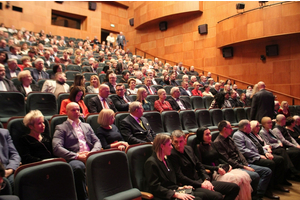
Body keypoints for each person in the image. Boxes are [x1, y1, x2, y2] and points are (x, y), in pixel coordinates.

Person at [169, 130, 240, 200]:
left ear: (185, 140)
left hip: (201, 180)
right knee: (218, 196)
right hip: (191, 186)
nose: (178, 145)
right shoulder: (171, 154)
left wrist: (206, 179)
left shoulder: (188, 149)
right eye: (176, 142)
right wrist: (201, 185)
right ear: (172, 141)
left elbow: (199, 165)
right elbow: (180, 176)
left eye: (181, 141)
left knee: (234, 188)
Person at [53, 102, 101, 200]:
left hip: (90, 155)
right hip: (74, 158)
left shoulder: (86, 125)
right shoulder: (61, 127)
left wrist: (92, 153)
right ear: (67, 112)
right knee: (78, 168)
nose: (77, 112)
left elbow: (97, 141)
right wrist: (77, 156)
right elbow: (56, 148)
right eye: (73, 110)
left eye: (78, 109)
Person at [214, 120, 273, 200]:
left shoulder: (230, 139)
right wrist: (244, 167)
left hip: (242, 163)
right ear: (225, 129)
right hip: (234, 167)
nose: (232, 129)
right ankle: (256, 196)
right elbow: (228, 159)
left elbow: (239, 152)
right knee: (255, 176)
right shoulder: (218, 142)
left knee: (267, 171)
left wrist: (246, 164)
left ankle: (258, 194)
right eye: (230, 128)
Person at [232, 120, 288, 195]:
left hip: (260, 154)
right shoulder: (237, 135)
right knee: (270, 163)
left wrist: (266, 152)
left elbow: (259, 145)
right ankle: (267, 189)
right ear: (245, 127)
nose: (251, 128)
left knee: (280, 160)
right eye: (249, 126)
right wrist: (258, 155)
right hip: (251, 158)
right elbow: (243, 151)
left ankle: (276, 183)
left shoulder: (249, 133)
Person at [196, 127, 253, 200]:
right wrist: (216, 168)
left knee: (244, 176)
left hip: (221, 169)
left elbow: (219, 158)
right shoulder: (198, 147)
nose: (210, 136)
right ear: (201, 136)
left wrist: (227, 165)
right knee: (235, 179)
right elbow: (200, 164)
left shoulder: (212, 144)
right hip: (213, 172)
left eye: (210, 133)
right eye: (207, 134)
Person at [144, 134, 201, 200]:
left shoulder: (166, 159)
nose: (172, 147)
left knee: (203, 195)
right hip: (163, 196)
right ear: (162, 146)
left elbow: (170, 182)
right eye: (169, 145)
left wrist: (179, 188)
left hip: (173, 191)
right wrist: (174, 194)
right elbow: (155, 187)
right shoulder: (151, 163)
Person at [259, 116, 300, 181]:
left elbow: (277, 139)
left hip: (279, 148)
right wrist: (277, 144)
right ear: (263, 124)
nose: (271, 124)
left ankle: (292, 172)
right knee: (284, 152)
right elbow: (267, 144)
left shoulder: (270, 130)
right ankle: (292, 171)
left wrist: (279, 142)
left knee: (296, 151)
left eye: (271, 122)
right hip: (273, 149)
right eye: (269, 123)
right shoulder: (262, 132)